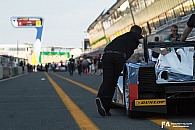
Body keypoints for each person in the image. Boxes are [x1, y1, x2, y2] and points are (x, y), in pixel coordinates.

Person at [95, 25, 167, 117]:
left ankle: (101, 100)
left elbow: (131, 58)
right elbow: (146, 44)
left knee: (107, 80)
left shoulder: (122, 37)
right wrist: (162, 52)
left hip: (106, 55)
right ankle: (105, 106)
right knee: (113, 82)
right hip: (118, 56)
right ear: (139, 33)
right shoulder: (134, 35)